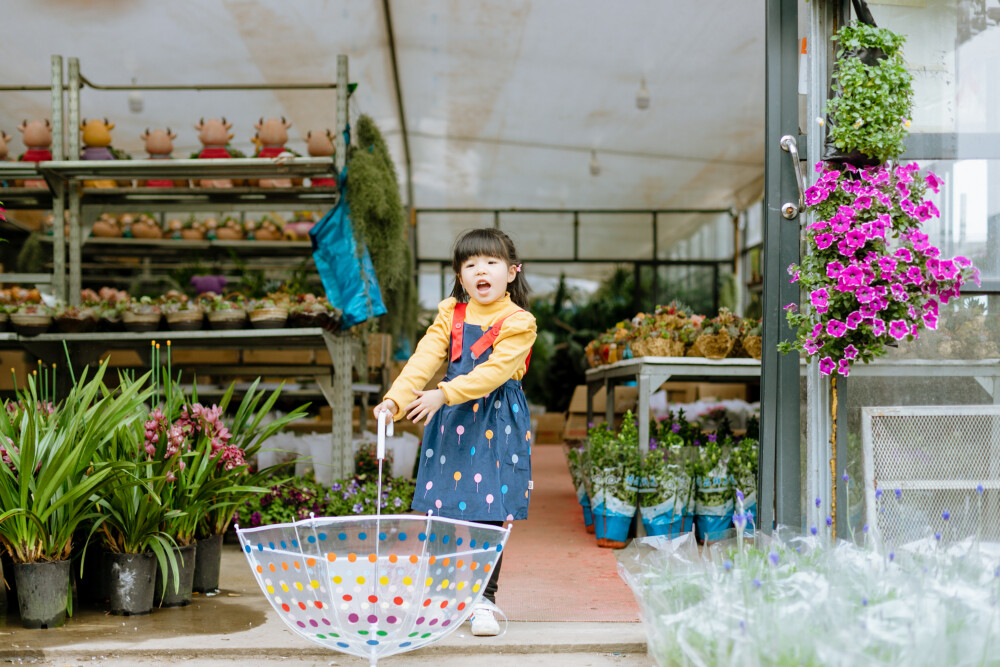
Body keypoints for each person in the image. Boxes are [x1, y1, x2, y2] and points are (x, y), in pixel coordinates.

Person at [372, 227, 536, 637]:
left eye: (491, 262)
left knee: (489, 511)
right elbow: (425, 357)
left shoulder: (520, 321)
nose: (481, 270)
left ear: (512, 272)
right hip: (451, 418)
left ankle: (484, 600)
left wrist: (442, 394)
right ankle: (444, 597)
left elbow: (494, 373)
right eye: (470, 264)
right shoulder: (451, 313)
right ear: (460, 276)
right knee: (441, 509)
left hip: (495, 420)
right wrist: (394, 399)